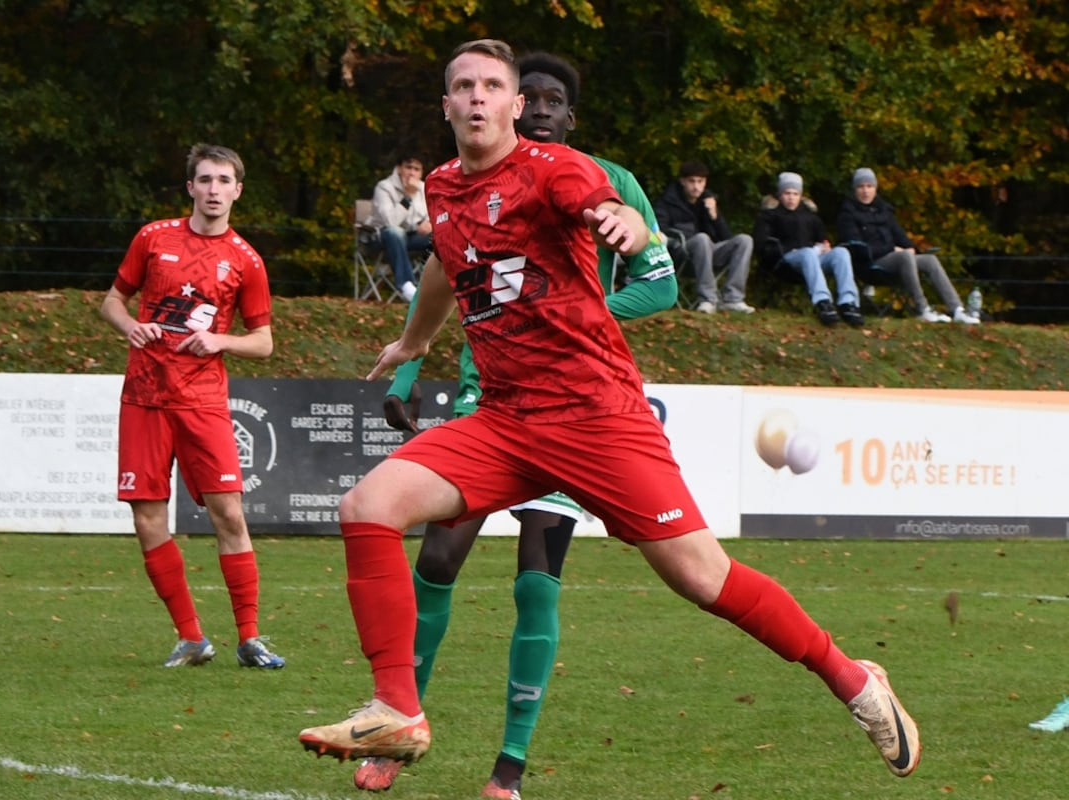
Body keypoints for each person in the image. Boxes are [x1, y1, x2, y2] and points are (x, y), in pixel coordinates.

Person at [298, 37, 920, 790]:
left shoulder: (555, 168)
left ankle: (855, 682)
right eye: (462, 86)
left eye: (491, 85)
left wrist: (624, 221)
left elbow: (599, 202)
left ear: (515, 105)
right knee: (368, 506)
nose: (476, 97)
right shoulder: (442, 187)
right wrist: (413, 340)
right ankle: (398, 708)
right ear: (447, 106)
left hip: (596, 417)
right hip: (503, 419)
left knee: (703, 579)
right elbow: (441, 262)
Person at [353, 50, 678, 800]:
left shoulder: (610, 181)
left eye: (551, 99)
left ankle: (509, 767)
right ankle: (400, 734)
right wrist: (407, 370)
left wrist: (571, 318)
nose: (535, 107)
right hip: (489, 402)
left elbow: (660, 287)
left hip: (576, 404)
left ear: (572, 114)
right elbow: (442, 271)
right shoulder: (466, 179)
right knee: (436, 559)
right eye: (521, 94)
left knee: (537, 582)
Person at [99, 143, 285, 670]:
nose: (213, 190)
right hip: (145, 397)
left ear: (237, 190)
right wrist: (132, 325)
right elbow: (111, 301)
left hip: (203, 402)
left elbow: (264, 342)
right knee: (148, 519)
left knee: (229, 513)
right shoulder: (153, 238)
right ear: (190, 188)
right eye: (204, 180)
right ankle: (191, 637)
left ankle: (249, 638)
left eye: (223, 181)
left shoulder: (246, 260)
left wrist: (221, 342)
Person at [835, 168, 979, 324]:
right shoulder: (847, 214)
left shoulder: (884, 210)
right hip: (870, 265)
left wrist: (910, 247)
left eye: (869, 186)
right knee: (904, 256)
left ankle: (957, 309)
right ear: (855, 189)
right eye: (861, 186)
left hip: (896, 259)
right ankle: (922, 308)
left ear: (875, 188)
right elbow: (858, 249)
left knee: (929, 260)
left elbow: (900, 235)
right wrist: (893, 249)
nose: (865, 191)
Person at [753, 171, 864, 327]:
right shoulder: (769, 215)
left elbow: (823, 238)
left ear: (801, 195)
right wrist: (785, 251)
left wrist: (825, 245)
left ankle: (849, 303)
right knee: (807, 253)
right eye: (787, 193)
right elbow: (761, 243)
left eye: (795, 193)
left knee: (841, 252)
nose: (791, 197)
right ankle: (823, 302)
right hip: (785, 260)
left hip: (813, 257)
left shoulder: (810, 216)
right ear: (780, 194)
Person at [654, 161, 755, 314]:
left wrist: (715, 217)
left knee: (744, 240)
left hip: (711, 252)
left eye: (700, 181)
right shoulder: (667, 202)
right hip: (682, 254)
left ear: (705, 182)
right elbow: (661, 233)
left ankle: (732, 299)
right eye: (692, 181)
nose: (696, 186)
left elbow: (726, 237)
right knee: (702, 238)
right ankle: (708, 299)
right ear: (682, 181)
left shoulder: (707, 201)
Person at [368, 154, 433, 302]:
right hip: (383, 238)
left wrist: (430, 223)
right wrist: (408, 196)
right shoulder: (384, 187)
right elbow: (390, 221)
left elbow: (436, 212)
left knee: (441, 236)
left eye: (416, 169)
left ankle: (434, 288)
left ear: (421, 172)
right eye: (408, 167)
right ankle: (407, 286)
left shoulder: (424, 188)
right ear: (399, 168)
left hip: (412, 237)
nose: (412, 173)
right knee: (395, 232)